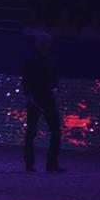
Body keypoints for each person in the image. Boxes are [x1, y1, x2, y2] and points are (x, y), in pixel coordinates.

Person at [22, 33, 65, 173]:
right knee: (32, 132)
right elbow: (26, 80)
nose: (46, 46)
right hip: (36, 99)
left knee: (53, 131)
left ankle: (49, 164)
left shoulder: (49, 60)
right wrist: (29, 95)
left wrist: (55, 89)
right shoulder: (33, 60)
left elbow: (53, 78)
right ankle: (32, 164)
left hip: (46, 98)